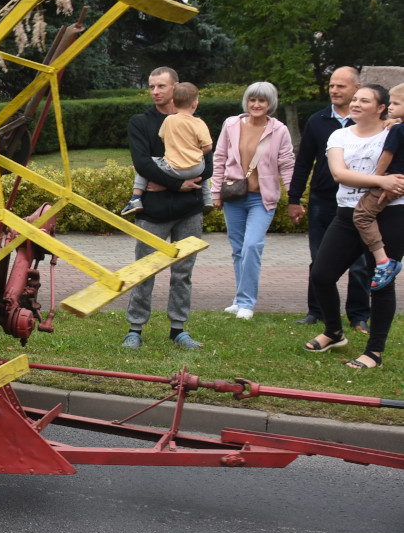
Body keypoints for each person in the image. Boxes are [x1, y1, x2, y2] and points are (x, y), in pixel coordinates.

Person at [304, 84, 404, 369]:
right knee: (321, 274)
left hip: (389, 215)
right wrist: (382, 181)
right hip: (347, 215)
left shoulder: (394, 131)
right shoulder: (340, 134)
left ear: (381, 107)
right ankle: (334, 332)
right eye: (355, 99)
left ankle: (374, 352)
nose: (356, 104)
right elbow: (339, 174)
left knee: (381, 282)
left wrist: (395, 183)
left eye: (365, 100)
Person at [122, 66, 210, 350]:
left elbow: (207, 165)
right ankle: (135, 329)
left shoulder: (195, 122)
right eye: (151, 86)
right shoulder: (140, 122)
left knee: (183, 272)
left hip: (189, 209)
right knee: (144, 271)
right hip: (153, 212)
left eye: (161, 86)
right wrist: (178, 184)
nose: (155, 91)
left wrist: (169, 184)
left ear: (176, 87)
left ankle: (178, 330)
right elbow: (142, 163)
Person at [289, 66, 370, 329]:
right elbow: (303, 163)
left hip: (358, 202)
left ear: (356, 88)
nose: (334, 90)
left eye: (341, 86)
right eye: (331, 85)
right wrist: (294, 199)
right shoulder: (318, 120)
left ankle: (359, 316)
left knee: (359, 263)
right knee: (319, 258)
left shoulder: (368, 124)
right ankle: (316, 312)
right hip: (323, 201)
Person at [210, 81, 295, 319]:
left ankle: (247, 302)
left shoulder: (279, 130)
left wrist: (294, 197)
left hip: (262, 199)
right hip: (234, 195)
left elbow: (287, 164)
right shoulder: (231, 124)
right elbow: (219, 158)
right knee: (238, 250)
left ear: (270, 104)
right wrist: (215, 193)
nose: (256, 104)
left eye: (262, 100)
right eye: (252, 99)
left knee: (252, 246)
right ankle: (239, 300)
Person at [122, 83, 212, 214]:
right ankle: (208, 199)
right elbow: (208, 146)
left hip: (174, 168)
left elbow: (163, 138)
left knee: (147, 163)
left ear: (173, 103)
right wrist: (195, 153)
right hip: (196, 169)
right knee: (201, 163)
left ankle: (135, 198)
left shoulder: (169, 120)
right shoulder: (199, 122)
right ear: (195, 104)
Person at [353, 91, 404, 290]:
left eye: (396, 103)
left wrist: (378, 179)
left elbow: (387, 155)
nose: (390, 107)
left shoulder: (397, 130)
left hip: (392, 179)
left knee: (362, 215)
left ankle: (383, 261)